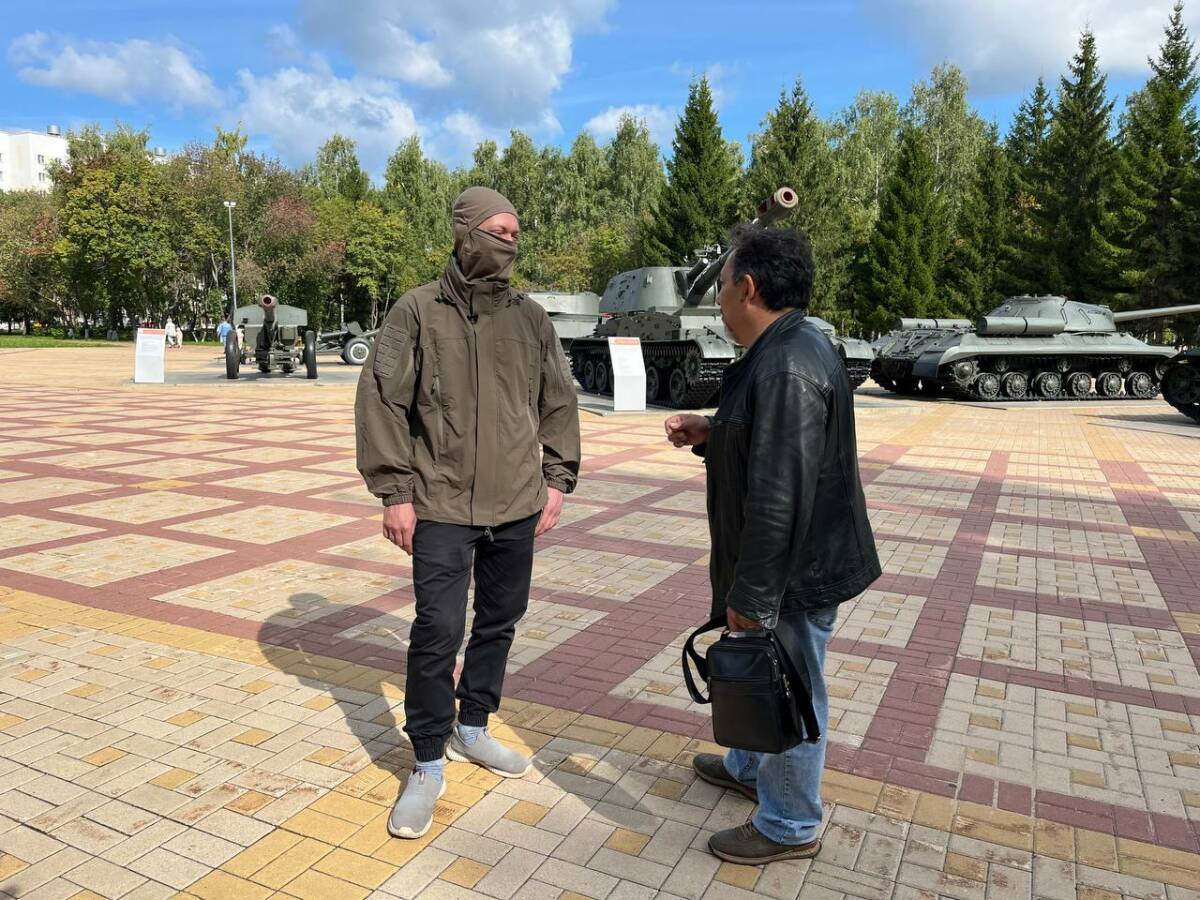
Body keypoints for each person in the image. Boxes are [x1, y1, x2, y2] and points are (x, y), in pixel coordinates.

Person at [356, 186, 581, 839]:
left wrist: (558, 480)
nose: (508, 241)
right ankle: (427, 760)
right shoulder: (417, 311)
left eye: (515, 232)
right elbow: (382, 402)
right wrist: (395, 493)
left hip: (516, 505)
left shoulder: (530, 319)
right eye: (496, 230)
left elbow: (558, 401)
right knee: (437, 631)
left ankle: (473, 726)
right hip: (440, 503)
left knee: (500, 620)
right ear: (463, 232)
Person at [665, 226, 880, 865]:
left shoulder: (787, 364)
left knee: (788, 684)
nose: (719, 299)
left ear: (748, 288)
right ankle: (749, 767)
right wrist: (714, 431)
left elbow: (780, 496)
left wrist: (754, 597)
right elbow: (771, 443)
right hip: (788, 566)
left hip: (792, 574)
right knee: (763, 670)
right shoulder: (783, 349)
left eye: (724, 285)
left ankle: (789, 822)